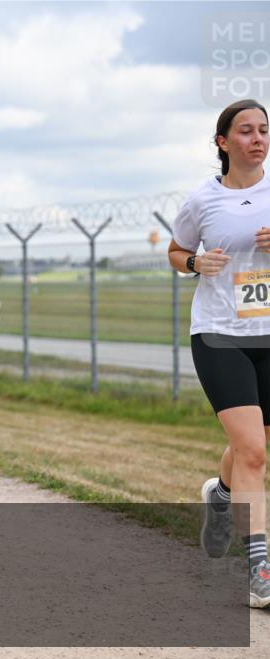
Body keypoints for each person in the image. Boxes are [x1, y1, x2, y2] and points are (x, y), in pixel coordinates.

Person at [168, 98, 270, 608]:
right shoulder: (202, 200)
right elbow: (174, 252)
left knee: (255, 443)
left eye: (264, 131)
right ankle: (261, 569)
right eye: (246, 131)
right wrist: (195, 261)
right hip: (219, 333)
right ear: (222, 142)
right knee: (254, 451)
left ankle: (223, 497)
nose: (257, 139)